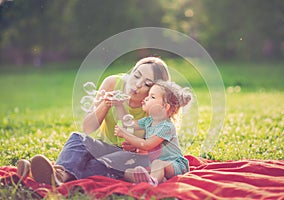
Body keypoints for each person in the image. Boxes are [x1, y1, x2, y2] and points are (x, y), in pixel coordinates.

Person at [16, 56, 171, 185]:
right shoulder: (112, 83)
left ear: (154, 90)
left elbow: (154, 149)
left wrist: (137, 145)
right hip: (104, 147)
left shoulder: (154, 107)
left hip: (130, 159)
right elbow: (88, 128)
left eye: (147, 84)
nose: (137, 84)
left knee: (101, 163)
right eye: (136, 76)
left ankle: (48, 174)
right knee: (78, 138)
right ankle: (59, 175)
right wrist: (105, 104)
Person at [114, 80, 192, 186]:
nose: (146, 98)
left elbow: (147, 145)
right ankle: (158, 179)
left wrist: (125, 134)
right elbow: (127, 122)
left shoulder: (166, 126)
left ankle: (152, 182)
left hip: (175, 165)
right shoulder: (148, 121)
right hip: (155, 166)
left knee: (158, 164)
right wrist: (119, 105)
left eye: (152, 97)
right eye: (148, 95)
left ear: (165, 107)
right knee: (128, 172)